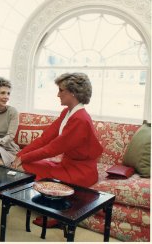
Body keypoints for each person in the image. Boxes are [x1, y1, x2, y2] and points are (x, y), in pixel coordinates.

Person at [11, 72, 103, 227]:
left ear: (73, 92)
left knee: (28, 165)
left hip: (81, 172)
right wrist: (19, 155)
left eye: (61, 90)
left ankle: (59, 214)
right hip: (67, 165)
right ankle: (49, 206)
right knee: (27, 166)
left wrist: (24, 158)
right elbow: (45, 139)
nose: (57, 95)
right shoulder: (67, 112)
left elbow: (52, 149)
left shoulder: (80, 119)